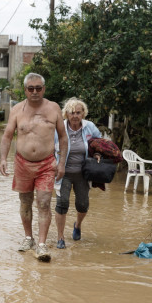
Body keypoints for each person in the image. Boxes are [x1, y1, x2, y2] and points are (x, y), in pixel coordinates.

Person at [0, 72, 67, 261]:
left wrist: (61, 163)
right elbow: (6, 136)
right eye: (31, 88)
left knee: (44, 203)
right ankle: (28, 238)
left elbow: (63, 137)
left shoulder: (53, 108)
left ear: (44, 89)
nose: (35, 92)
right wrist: (3, 159)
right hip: (22, 163)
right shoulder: (17, 110)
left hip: (47, 164)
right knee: (25, 202)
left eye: (38, 88)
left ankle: (42, 244)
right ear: (25, 90)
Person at [53, 98, 102, 249]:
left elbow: (99, 143)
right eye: (71, 112)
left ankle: (77, 225)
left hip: (82, 173)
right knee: (62, 204)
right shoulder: (59, 128)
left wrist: (97, 153)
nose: (75, 115)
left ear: (83, 114)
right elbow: (49, 146)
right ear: (66, 114)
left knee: (83, 205)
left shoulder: (90, 127)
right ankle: (60, 238)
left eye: (78, 112)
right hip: (63, 172)